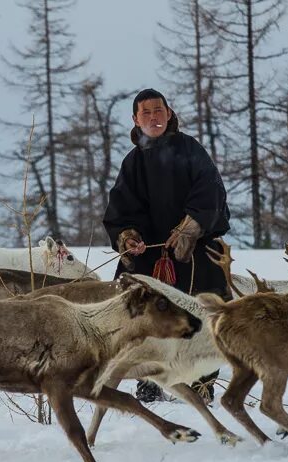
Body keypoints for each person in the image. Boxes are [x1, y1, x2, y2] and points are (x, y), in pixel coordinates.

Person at [103, 88, 230, 403]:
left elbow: (210, 190)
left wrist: (189, 228)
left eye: (158, 110)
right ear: (135, 120)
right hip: (149, 256)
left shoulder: (190, 150)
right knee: (138, 313)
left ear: (169, 113)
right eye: (145, 112)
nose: (153, 117)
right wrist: (128, 238)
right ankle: (148, 379)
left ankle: (202, 382)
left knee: (203, 313)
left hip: (195, 250)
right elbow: (119, 211)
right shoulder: (132, 163)